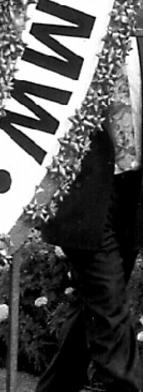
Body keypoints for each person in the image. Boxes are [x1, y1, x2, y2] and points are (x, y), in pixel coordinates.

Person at [38, 25, 143, 392]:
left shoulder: (139, 43)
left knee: (98, 306)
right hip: (81, 197)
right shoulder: (65, 42)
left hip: (131, 194)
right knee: (109, 302)